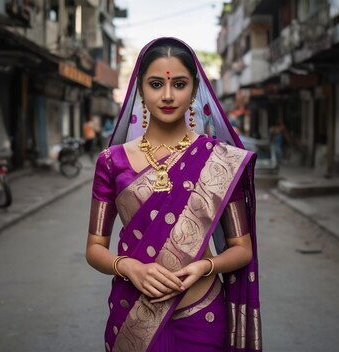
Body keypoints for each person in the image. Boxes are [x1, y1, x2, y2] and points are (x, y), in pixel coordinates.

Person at [85, 38, 262, 352]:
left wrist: (204, 267)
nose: (167, 95)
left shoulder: (219, 161)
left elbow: (241, 249)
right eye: (156, 84)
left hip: (202, 314)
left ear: (194, 89)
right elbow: (95, 249)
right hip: (134, 315)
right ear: (140, 88)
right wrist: (130, 267)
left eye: (179, 84)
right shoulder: (112, 162)